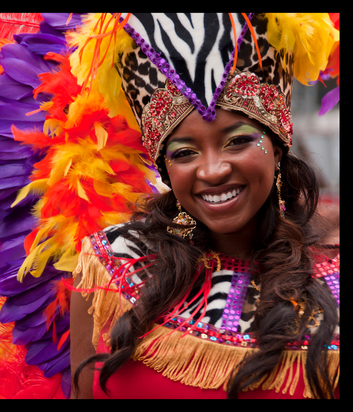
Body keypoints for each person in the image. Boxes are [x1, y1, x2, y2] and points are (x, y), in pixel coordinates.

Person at [69, 13, 339, 399]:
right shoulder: (111, 266)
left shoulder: (333, 284)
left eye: (237, 141)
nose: (212, 170)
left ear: (277, 145)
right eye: (185, 152)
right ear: (165, 167)